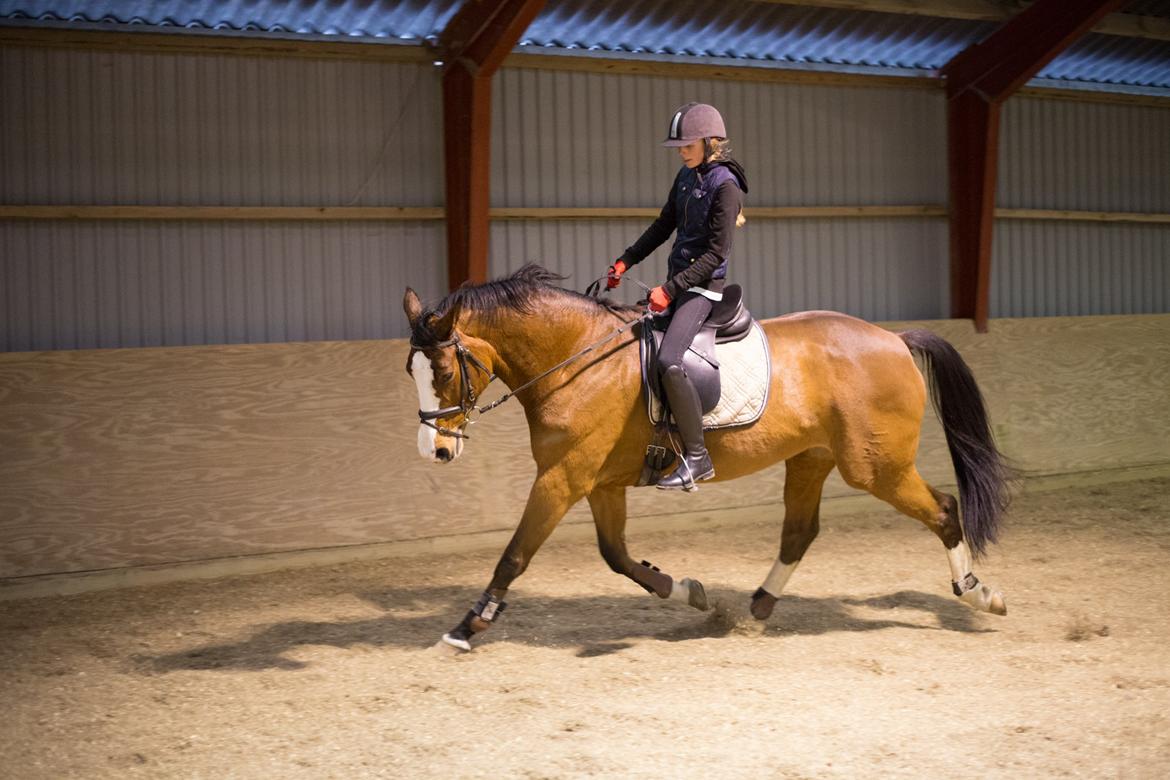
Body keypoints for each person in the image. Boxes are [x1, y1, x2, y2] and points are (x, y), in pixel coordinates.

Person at [606, 102, 749, 490]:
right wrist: (626, 260)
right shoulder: (685, 178)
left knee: (670, 360)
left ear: (708, 142)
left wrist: (670, 290)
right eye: (680, 147)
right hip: (679, 282)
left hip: (704, 289)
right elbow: (663, 225)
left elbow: (717, 254)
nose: (682, 152)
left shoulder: (726, 186)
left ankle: (699, 457)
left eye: (687, 145)